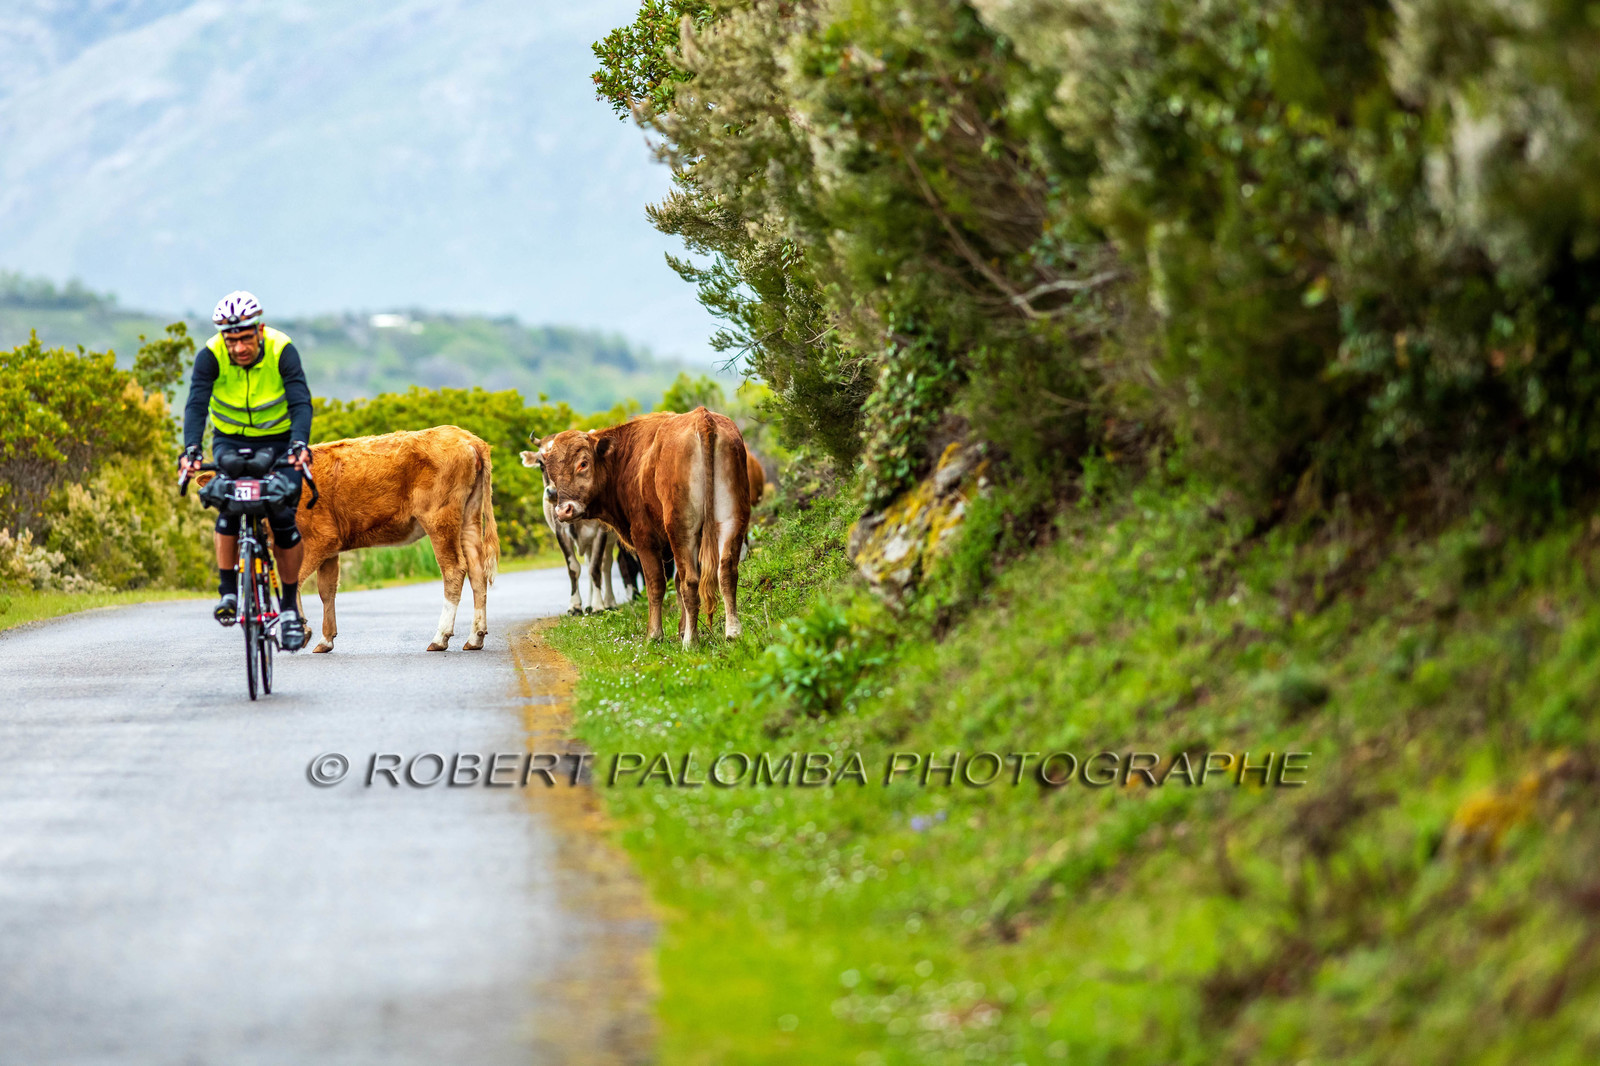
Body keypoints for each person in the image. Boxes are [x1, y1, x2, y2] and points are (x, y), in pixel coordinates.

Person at [177, 291, 313, 650]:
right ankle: (228, 594)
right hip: (230, 443)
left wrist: (299, 444)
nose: (238, 347)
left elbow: (300, 401)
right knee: (227, 506)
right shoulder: (210, 355)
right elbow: (196, 404)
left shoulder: (282, 349)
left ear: (259, 329)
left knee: (283, 518)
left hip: (279, 443)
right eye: (231, 339)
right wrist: (191, 448)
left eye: (245, 338)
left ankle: (287, 611)